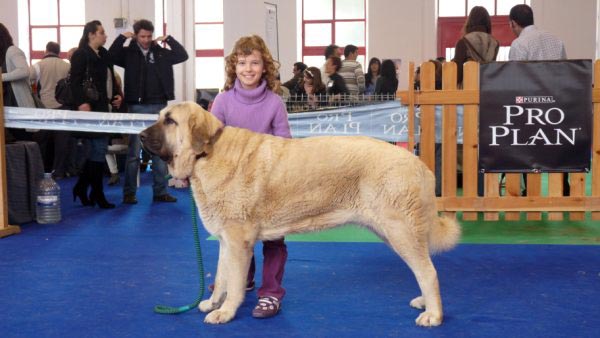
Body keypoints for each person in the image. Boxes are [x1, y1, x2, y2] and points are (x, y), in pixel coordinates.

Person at [209, 34, 291, 319]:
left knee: (273, 240)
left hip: (268, 185)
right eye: (242, 63)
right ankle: (241, 278)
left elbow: (284, 145)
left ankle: (271, 293)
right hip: (232, 187)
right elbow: (211, 145)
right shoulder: (221, 102)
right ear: (234, 67)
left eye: (254, 63)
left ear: (264, 66)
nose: (248, 69)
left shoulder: (275, 103)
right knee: (237, 238)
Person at [108, 19, 188, 205]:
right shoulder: (129, 53)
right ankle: (129, 193)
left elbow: (182, 55)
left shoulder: (161, 52)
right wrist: (121, 38)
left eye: (149, 36)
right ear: (136, 35)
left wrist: (169, 39)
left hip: (159, 105)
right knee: (133, 153)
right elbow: (111, 56)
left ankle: (160, 192)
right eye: (142, 36)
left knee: (160, 151)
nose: (146, 40)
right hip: (136, 106)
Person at [508, 4, 568, 196]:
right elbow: (565, 72)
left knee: (528, 146)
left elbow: (514, 78)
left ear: (513, 23)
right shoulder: (556, 41)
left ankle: (529, 189)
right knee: (557, 143)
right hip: (555, 104)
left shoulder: (519, 44)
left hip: (529, 104)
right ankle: (564, 187)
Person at [70, 20, 122, 209]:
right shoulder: (81, 54)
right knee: (98, 150)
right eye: (102, 32)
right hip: (90, 109)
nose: (105, 35)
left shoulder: (104, 55)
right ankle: (96, 193)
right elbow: (73, 82)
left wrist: (116, 96)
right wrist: (81, 103)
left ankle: (82, 188)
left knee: (96, 152)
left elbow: (111, 79)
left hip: (103, 109)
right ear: (91, 35)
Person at [29, 41, 72, 179]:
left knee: (41, 142)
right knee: (62, 144)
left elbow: (28, 80)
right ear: (59, 52)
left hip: (43, 108)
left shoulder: (38, 65)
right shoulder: (67, 66)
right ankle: (59, 171)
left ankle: (40, 171)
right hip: (63, 108)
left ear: (46, 51)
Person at [1, 23, 36, 142]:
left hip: (17, 104)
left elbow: (24, 71)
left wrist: (1, 77)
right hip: (7, 105)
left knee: (22, 140)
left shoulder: (12, 50)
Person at [452, 6, 499, 84]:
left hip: (467, 90)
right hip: (487, 88)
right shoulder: (495, 43)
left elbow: (458, 76)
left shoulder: (463, 42)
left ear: (470, 21)